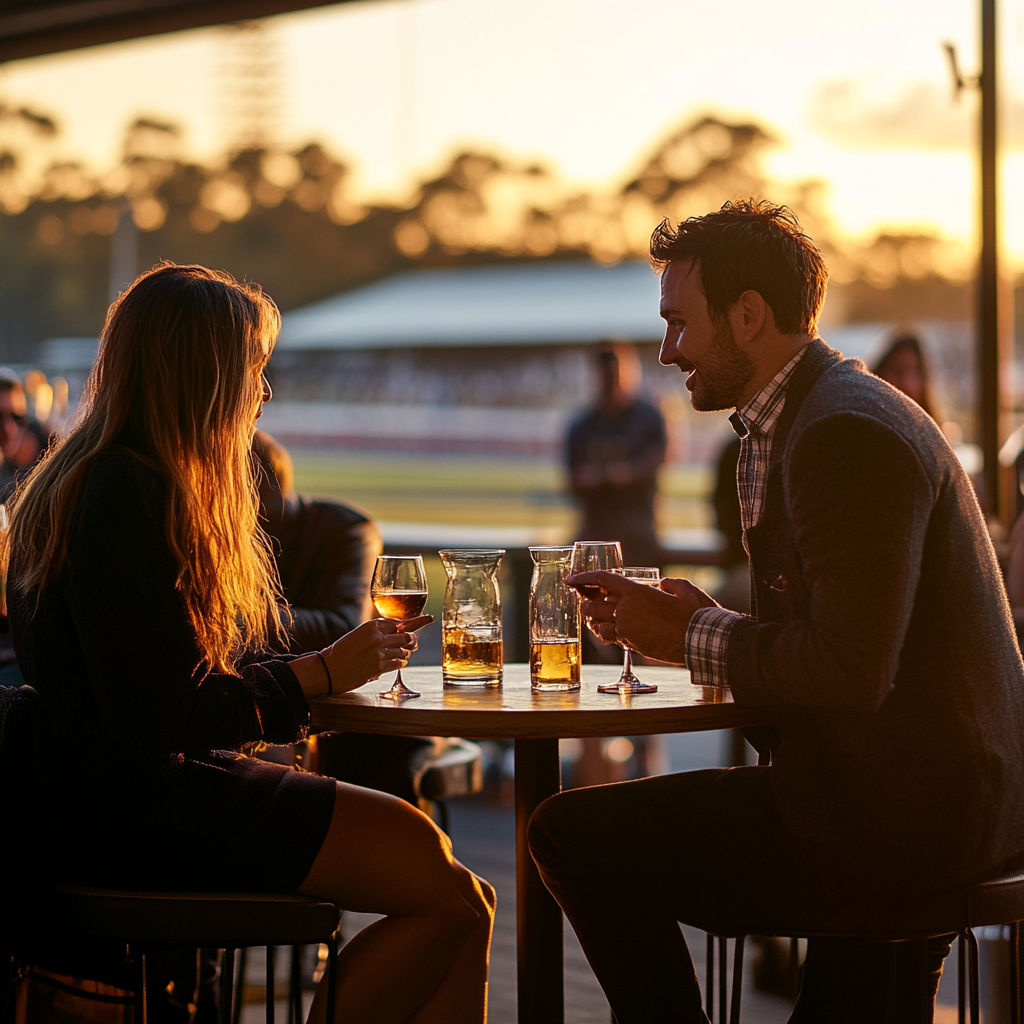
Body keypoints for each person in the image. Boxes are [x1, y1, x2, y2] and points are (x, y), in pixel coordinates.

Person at [529, 200, 1024, 1023]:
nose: (665, 352)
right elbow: (846, 639)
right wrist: (696, 620)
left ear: (748, 315)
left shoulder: (842, 433)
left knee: (568, 837)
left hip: (904, 816)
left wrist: (690, 634)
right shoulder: (820, 414)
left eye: (680, 324)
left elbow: (850, 668)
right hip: (929, 798)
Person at [3, 263, 495, 1024]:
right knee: (450, 895)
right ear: (204, 372)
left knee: (463, 897)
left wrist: (306, 677)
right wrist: (319, 676)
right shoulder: (124, 497)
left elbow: (164, 666)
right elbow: (159, 713)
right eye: (254, 371)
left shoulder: (88, 481)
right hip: (138, 808)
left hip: (98, 795)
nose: (264, 395)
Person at [252, 430, 434, 803]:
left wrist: (235, 619)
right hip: (271, 705)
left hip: (353, 714)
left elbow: (344, 627)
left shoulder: (345, 529)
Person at [566, 342, 667, 567]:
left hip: (637, 535)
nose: (611, 382)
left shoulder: (647, 417)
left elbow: (658, 459)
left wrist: (606, 476)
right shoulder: (583, 423)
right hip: (596, 533)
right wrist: (616, 476)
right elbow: (572, 481)